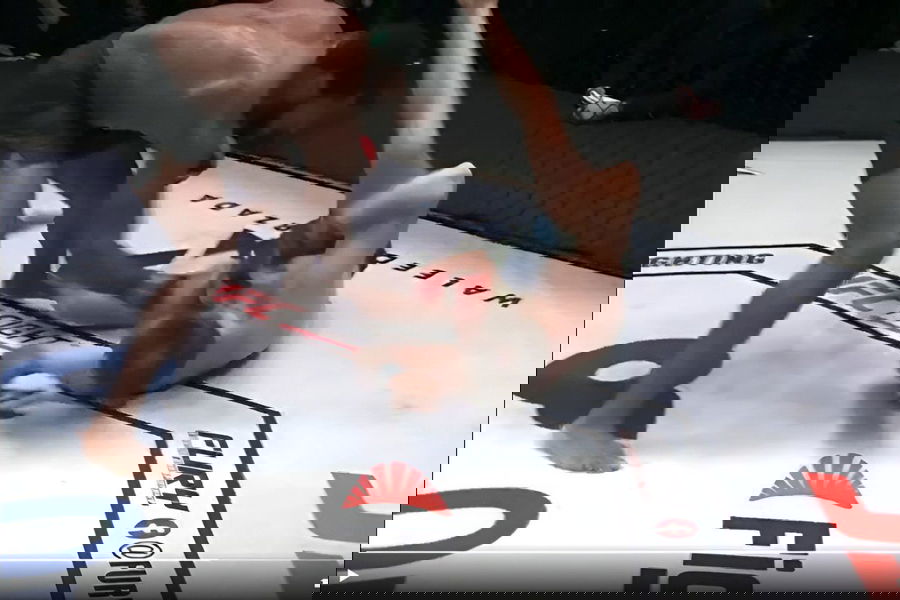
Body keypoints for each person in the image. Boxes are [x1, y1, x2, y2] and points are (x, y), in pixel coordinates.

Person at [0, 0, 499, 410]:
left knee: (88, 332)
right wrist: (468, 25)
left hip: (195, 333)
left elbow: (405, 147)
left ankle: (103, 298)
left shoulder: (290, 272)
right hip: (212, 321)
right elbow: (419, 127)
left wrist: (423, 191)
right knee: (88, 317)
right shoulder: (287, 276)